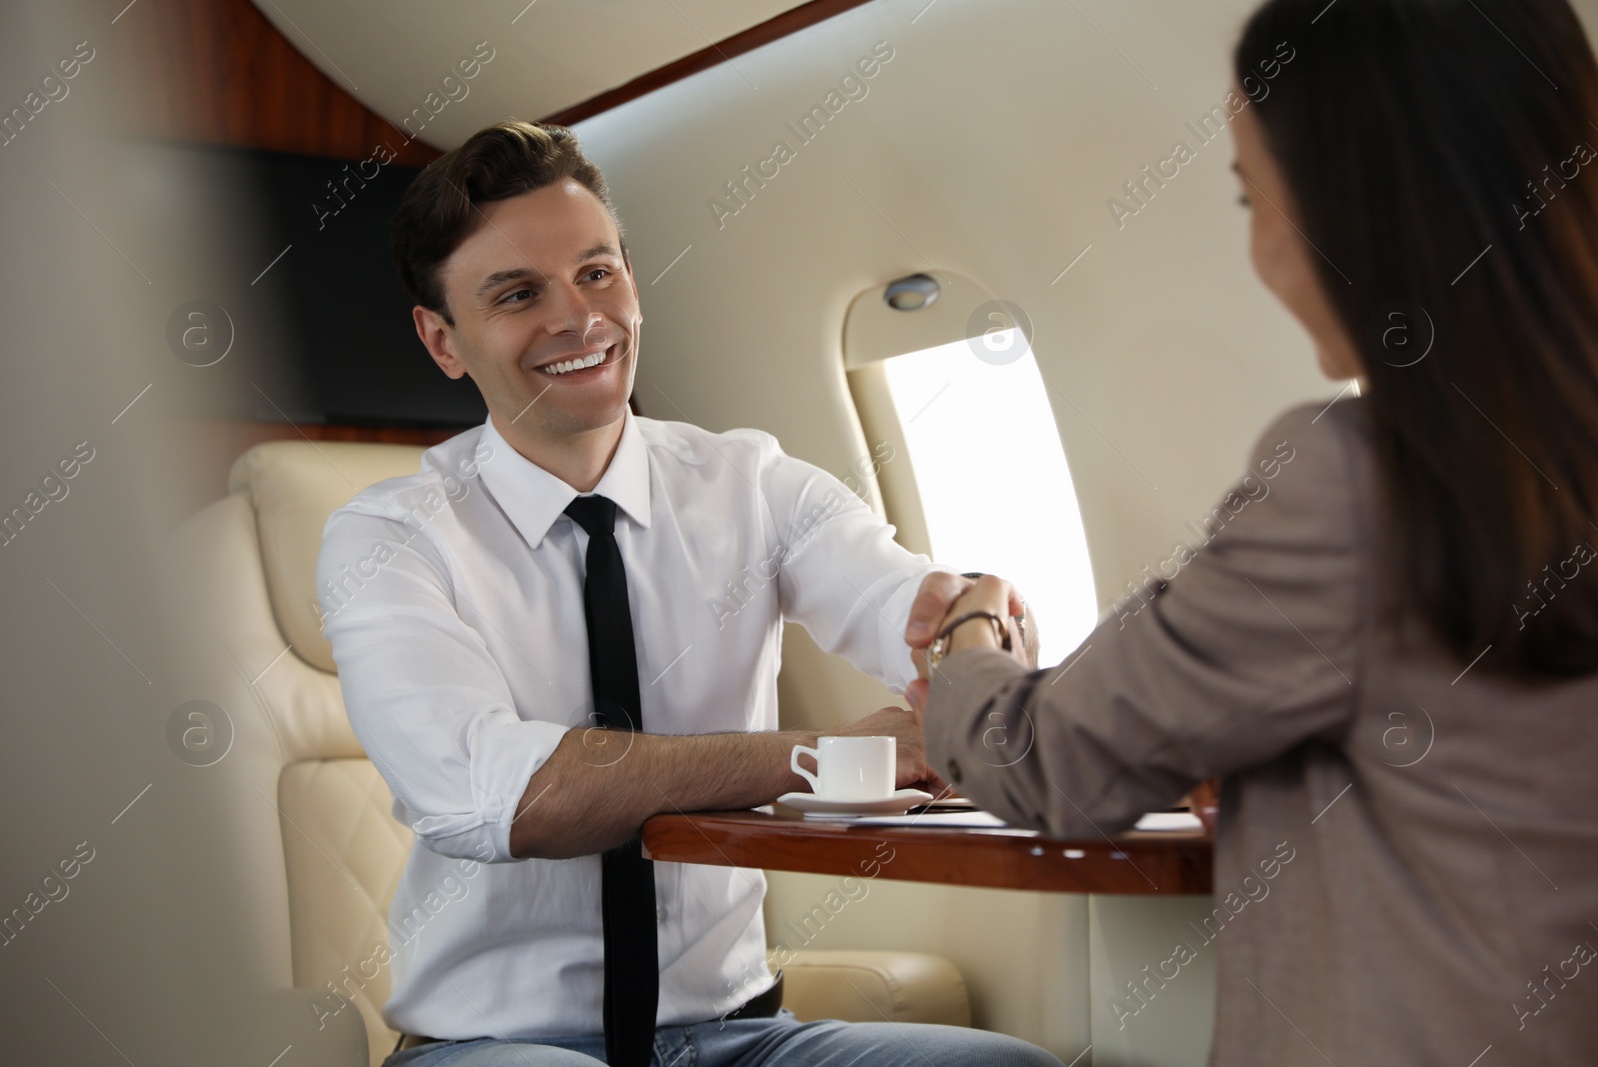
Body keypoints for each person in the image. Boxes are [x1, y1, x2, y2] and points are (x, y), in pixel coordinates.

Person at [908, 0, 1598, 1064]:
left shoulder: (1363, 478)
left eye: (1249, 194)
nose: (1257, 248)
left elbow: (1049, 759)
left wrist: (969, 629)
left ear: (1345, 212)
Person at [316, 120, 1054, 1066]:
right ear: (442, 340)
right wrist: (823, 757)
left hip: (740, 1036)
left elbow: (902, 607)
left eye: (597, 272)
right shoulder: (390, 537)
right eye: (516, 293)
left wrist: (969, 627)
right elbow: (500, 797)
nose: (579, 318)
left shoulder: (752, 481)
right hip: (500, 1046)